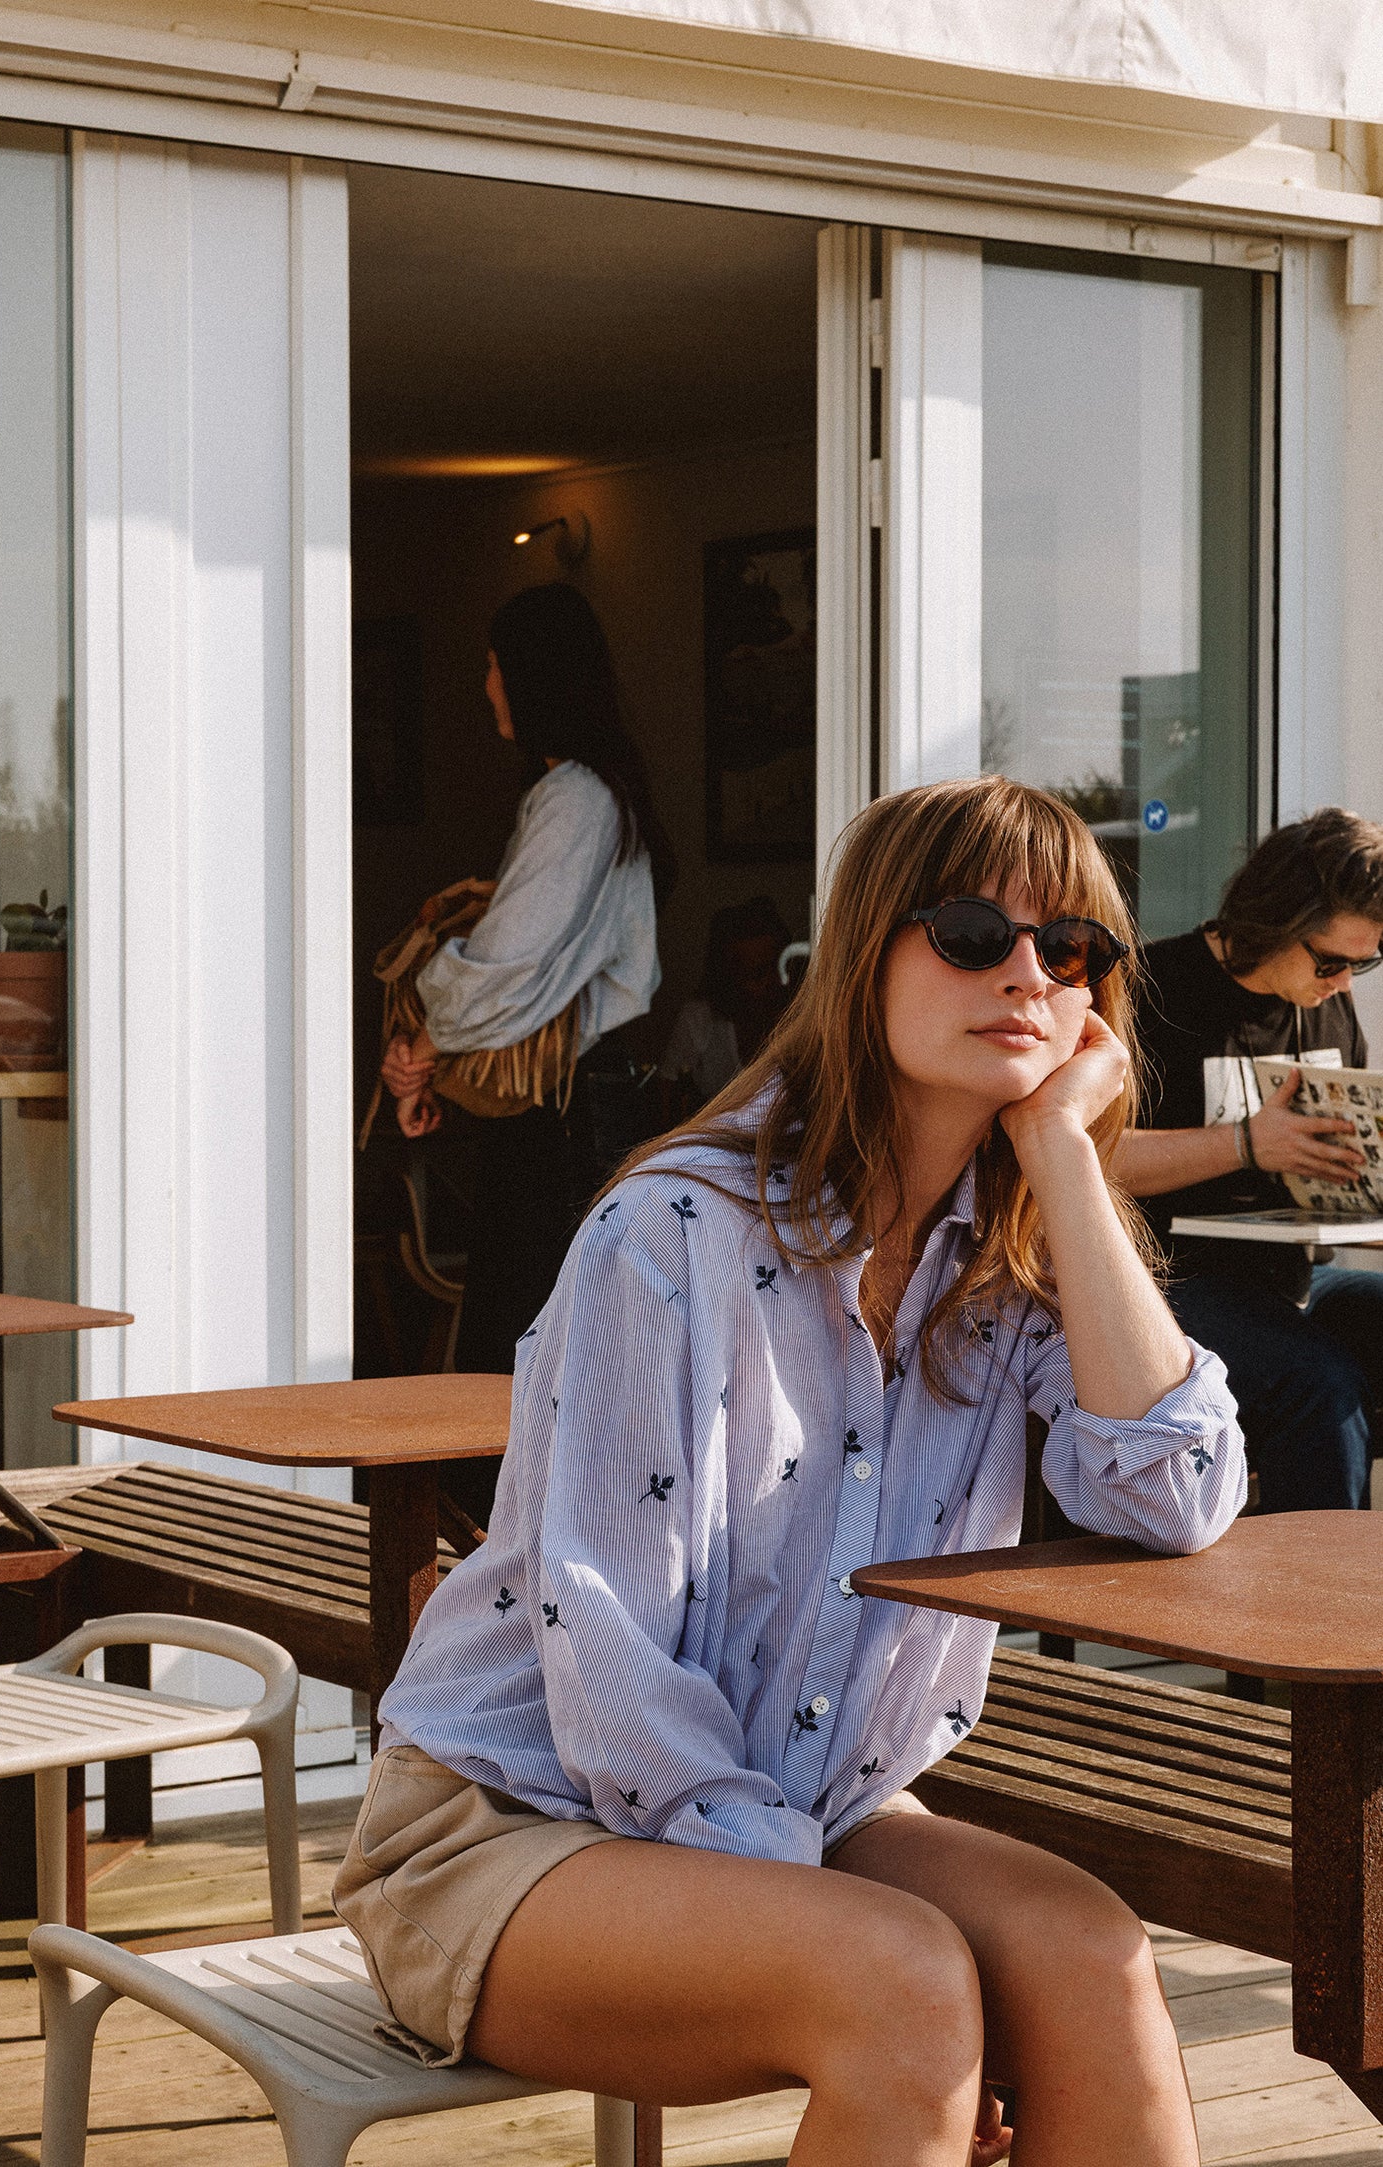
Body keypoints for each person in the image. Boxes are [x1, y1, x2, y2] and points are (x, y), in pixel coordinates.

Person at [337, 775, 1244, 2166]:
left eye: (1070, 949)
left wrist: (1063, 1156)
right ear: (864, 953)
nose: (1026, 973)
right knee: (904, 1983)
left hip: (801, 1803)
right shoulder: (669, 1233)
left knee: (1093, 1959)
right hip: (508, 1823)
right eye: (971, 933)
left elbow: (1174, 1493)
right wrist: (870, 1944)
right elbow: (609, 1653)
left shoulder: (1007, 1265)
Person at [381, 583, 674, 1406]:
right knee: (554, 1361)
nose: (486, 686)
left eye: (495, 665)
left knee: (527, 1367)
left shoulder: (577, 797)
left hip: (567, 1122)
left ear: (534, 676)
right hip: (573, 1111)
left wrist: (424, 1046)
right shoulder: (582, 793)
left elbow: (504, 964)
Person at [1117, 807, 1383, 1512]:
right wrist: (1243, 1144)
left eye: (1364, 962)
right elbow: (1082, 1155)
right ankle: (1314, 1586)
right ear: (1275, 921)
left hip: (1292, 1276)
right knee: (1317, 1384)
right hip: (1160, 1282)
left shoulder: (1327, 1003)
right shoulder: (1153, 989)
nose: (1344, 982)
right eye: (1331, 961)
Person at [659, 894, 792, 1119]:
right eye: (757, 973)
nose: (774, 981)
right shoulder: (700, 1018)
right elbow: (668, 1093)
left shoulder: (799, 1016)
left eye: (779, 966)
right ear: (729, 978)